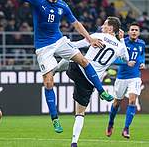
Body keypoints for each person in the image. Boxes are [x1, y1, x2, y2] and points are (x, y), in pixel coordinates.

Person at [0, 0, 113, 133]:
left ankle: (101, 91)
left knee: (83, 60)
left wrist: (90, 39)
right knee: (49, 82)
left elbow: (76, 24)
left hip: (59, 40)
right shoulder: (37, 0)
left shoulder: (63, 5)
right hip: (43, 47)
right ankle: (55, 119)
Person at [56, 17, 134, 147]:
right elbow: (127, 58)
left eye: (104, 24)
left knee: (72, 53)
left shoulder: (98, 36)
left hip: (79, 69)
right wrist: (121, 39)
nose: (102, 26)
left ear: (110, 28)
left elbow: (76, 45)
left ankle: (54, 71)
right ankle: (74, 142)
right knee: (80, 113)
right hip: (91, 81)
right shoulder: (120, 46)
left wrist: (63, 44)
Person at [106, 23, 145, 139]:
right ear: (128, 32)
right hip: (122, 77)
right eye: (132, 30)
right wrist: (126, 62)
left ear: (139, 32)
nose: (134, 32)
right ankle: (110, 123)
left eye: (136, 30)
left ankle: (126, 128)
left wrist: (142, 62)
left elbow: (141, 55)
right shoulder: (122, 43)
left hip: (135, 76)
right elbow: (114, 59)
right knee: (116, 103)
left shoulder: (141, 44)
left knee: (132, 100)